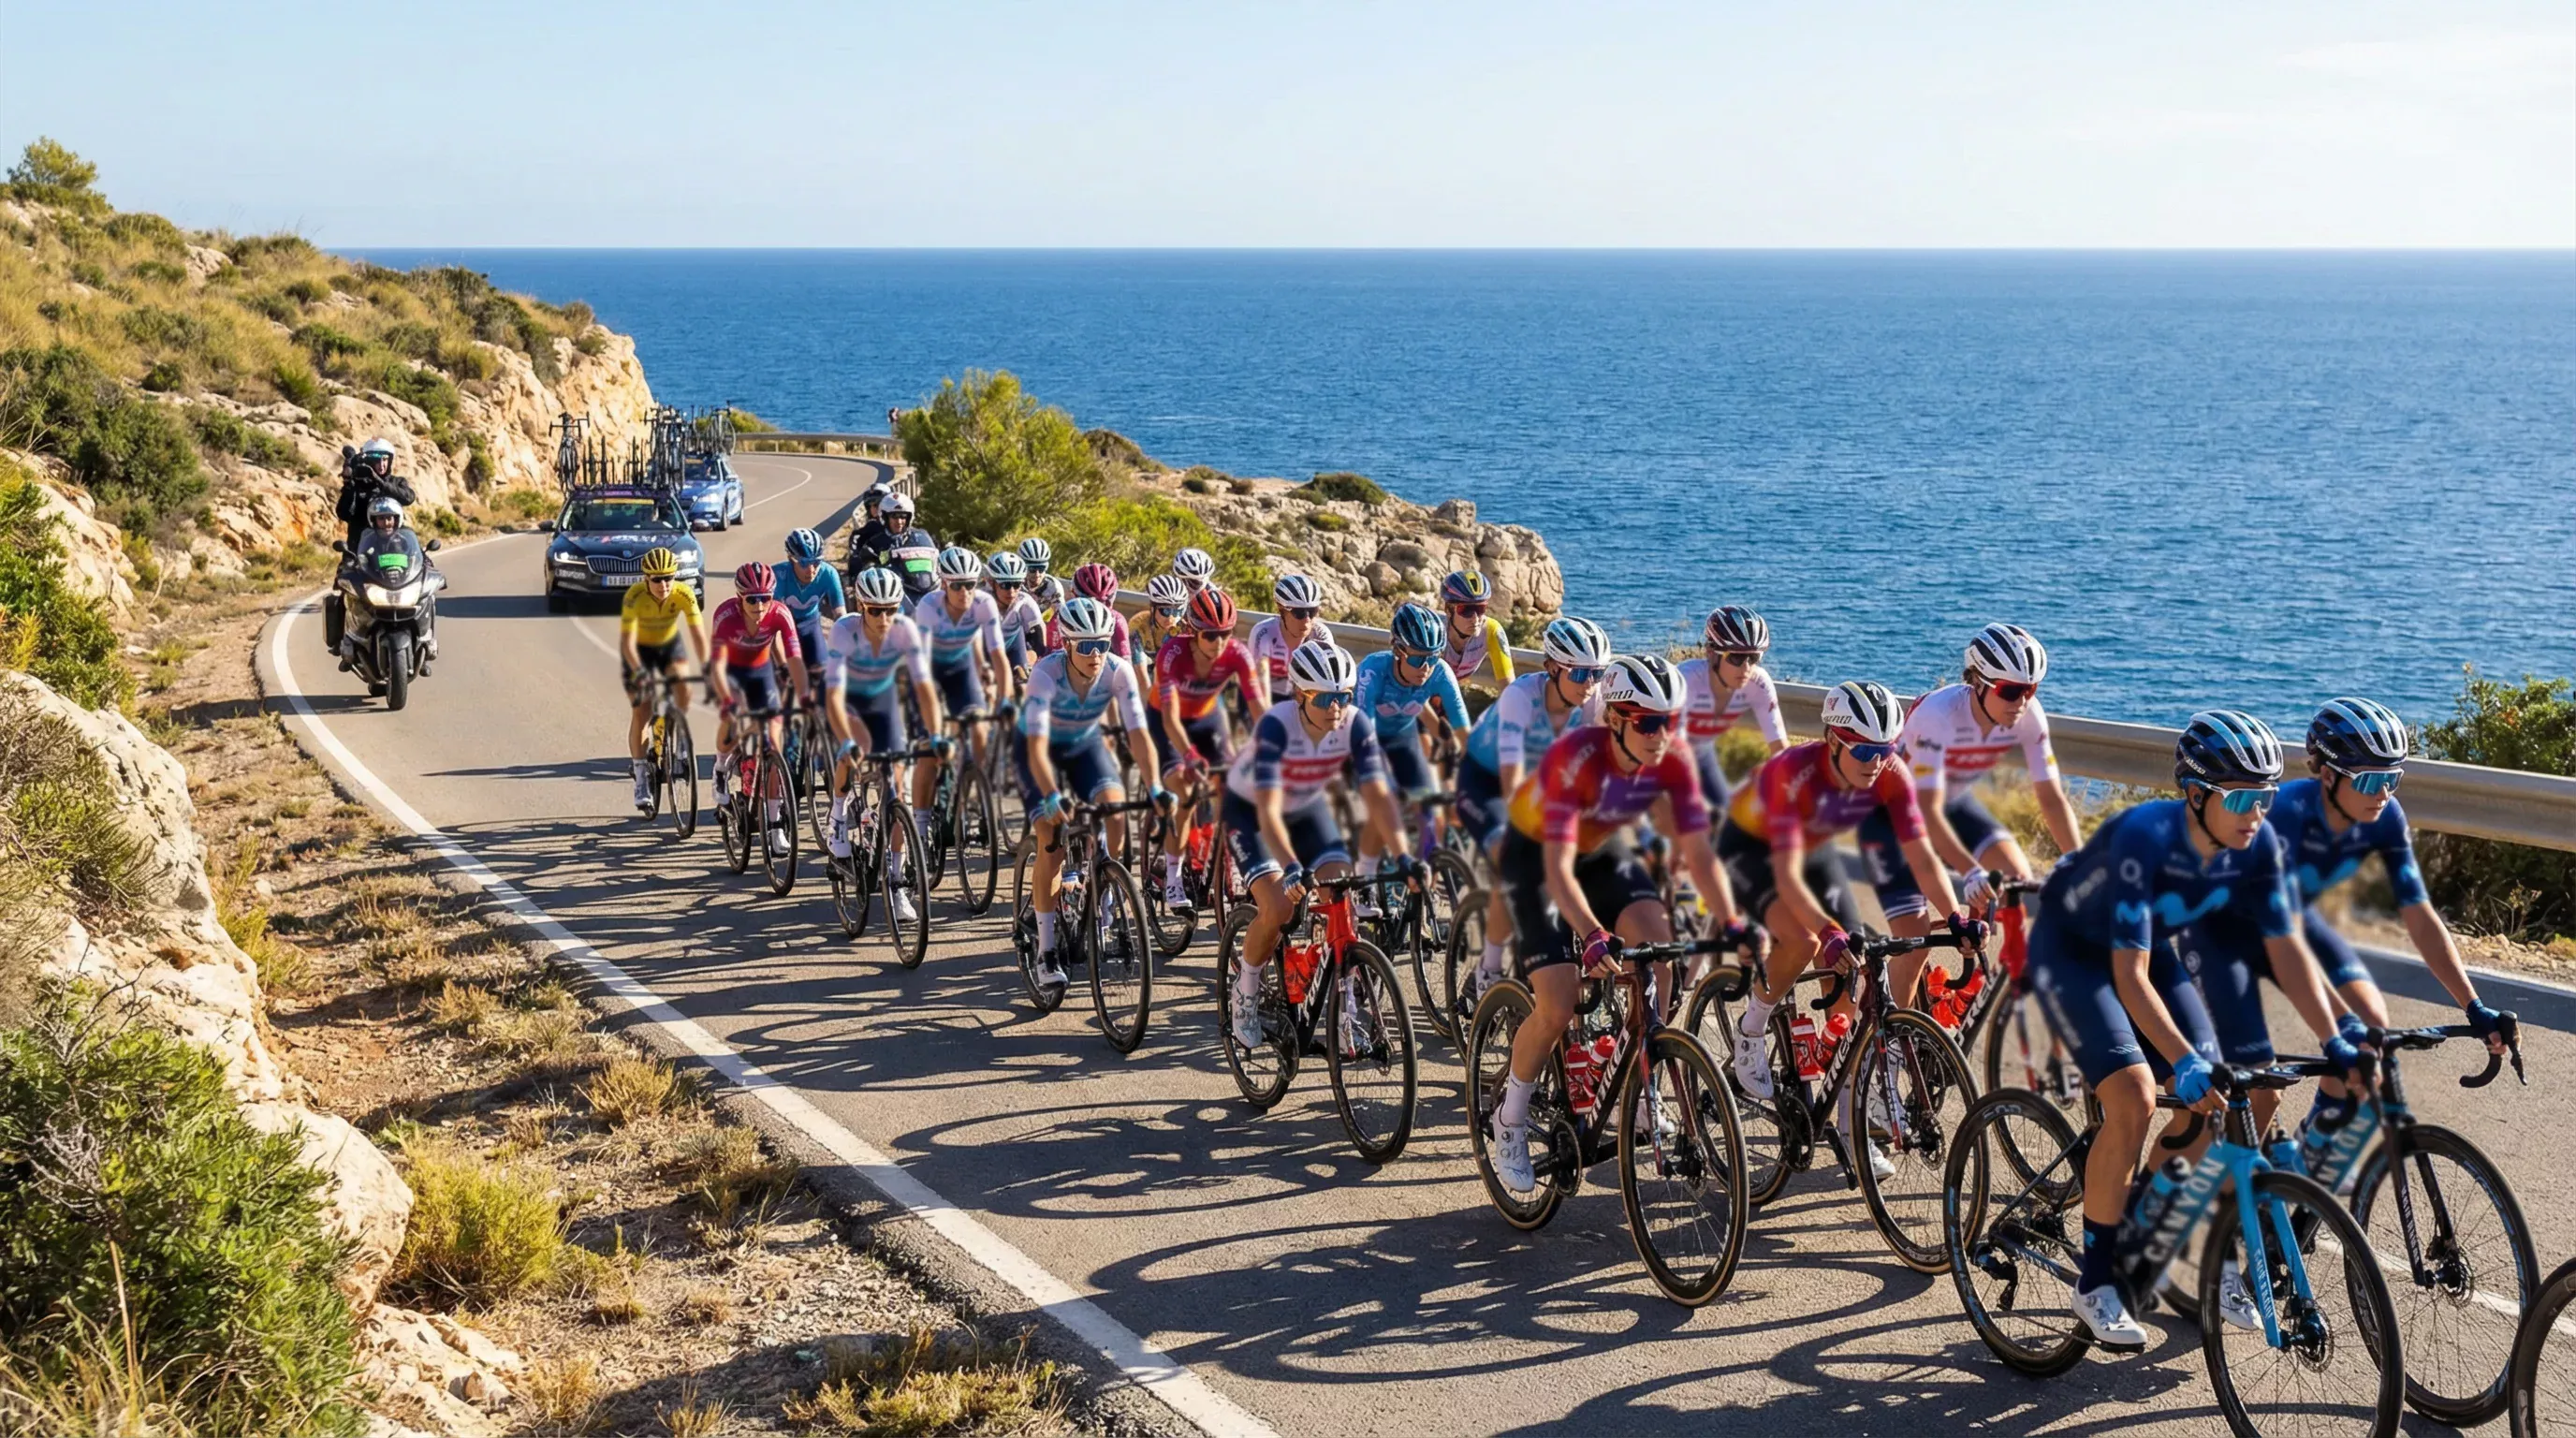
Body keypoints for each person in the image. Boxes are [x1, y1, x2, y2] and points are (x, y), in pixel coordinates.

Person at [2022, 711, 2361, 1351]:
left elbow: (2287, 948)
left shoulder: (2256, 843)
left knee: (2236, 1095)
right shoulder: (2143, 841)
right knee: (2134, 1097)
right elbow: (2129, 977)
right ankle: (2097, 1284)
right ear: (2196, 795)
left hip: (2155, 953)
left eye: (2264, 797)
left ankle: (2142, 1222)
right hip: (2076, 953)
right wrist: (2183, 1060)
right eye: (2240, 798)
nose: (2256, 813)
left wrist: (2336, 1036)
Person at [2176, 698, 2510, 1152]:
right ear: (2328, 775)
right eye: (2372, 779)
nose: (2384, 793)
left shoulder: (2385, 815)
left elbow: (2419, 915)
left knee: (2371, 1026)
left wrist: (2473, 1006)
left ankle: (2306, 1170)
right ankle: (2193, 1202)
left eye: (2393, 779)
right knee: (2259, 1092)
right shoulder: (2285, 819)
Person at [1486, 654, 1746, 1192]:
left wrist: (1735, 923)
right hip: (1537, 864)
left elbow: (1698, 851)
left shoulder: (1672, 759)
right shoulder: (1575, 758)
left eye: (1670, 721)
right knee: (1558, 1004)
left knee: (1663, 965)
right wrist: (1591, 933)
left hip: (1602, 857)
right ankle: (1510, 1118)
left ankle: (1639, 1084)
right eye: (1649, 722)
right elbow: (1556, 869)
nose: (1662, 734)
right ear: (1615, 720)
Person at [1722, 681, 1977, 1104]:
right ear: (1832, 740)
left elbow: (1921, 855)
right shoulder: (1796, 774)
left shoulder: (1890, 772)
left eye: (1885, 750)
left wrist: (1955, 916)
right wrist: (1825, 930)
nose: (1875, 762)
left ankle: (1847, 1123)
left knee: (1847, 991)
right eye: (1863, 751)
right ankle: (1751, 1027)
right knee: (1805, 940)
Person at [1866, 623, 2084, 1003]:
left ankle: (1968, 993)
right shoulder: (1939, 715)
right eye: (2012, 691)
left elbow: (2050, 798)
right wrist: (1969, 872)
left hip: (1951, 803)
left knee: (2015, 879)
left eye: (2031, 691)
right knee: (1914, 943)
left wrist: (2082, 864)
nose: (2022, 702)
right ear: (1979, 682)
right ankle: (1889, 1046)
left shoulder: (2028, 714)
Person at [1223, 641, 1411, 1052]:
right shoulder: (1277, 725)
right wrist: (1290, 865)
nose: (1336, 707)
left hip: (1305, 809)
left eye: (1343, 697)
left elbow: (1378, 794)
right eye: (1325, 698)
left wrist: (1405, 856)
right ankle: (1246, 992)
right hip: (1251, 812)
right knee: (1279, 906)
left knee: (1341, 888)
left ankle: (1344, 1012)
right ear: (1299, 694)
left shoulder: (1354, 723)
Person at [1455, 617, 1611, 999]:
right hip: (1484, 781)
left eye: (1598, 673)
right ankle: (1487, 970)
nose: (1589, 683)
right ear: (1553, 668)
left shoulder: (1591, 702)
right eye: (1580, 673)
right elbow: (1511, 778)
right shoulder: (1521, 697)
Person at [1019, 597, 1166, 991]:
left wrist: (1154, 786)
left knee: (1116, 813)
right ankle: (1047, 950)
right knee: (1052, 839)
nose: (1096, 654)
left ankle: (1101, 897)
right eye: (1086, 646)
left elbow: (1138, 734)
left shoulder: (1118, 672)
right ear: (1066, 644)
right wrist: (1050, 794)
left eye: (1102, 644)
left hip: (1085, 748)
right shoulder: (1046, 674)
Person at [822, 568, 942, 921]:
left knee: (898, 797)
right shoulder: (845, 630)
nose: (884, 618)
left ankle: (896, 882)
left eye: (891, 609)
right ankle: (838, 813)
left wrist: (936, 734)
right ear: (861, 606)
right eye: (875, 610)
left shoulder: (905, 631)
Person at [1152, 588, 1264, 912]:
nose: (1218, 643)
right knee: (1185, 793)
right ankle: (1172, 876)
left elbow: (1259, 708)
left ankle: (1226, 862)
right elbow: (1170, 719)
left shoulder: (1238, 654)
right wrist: (1189, 756)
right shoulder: (1172, 653)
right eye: (1209, 635)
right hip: (1168, 721)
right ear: (1191, 630)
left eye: (1225, 634)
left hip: (1206, 719)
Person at [1351, 602, 1471, 865]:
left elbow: (1463, 729)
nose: (1425, 667)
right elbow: (1364, 729)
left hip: (1404, 743)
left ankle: (1422, 892)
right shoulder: (1374, 670)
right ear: (1397, 650)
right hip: (1367, 742)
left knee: (1433, 816)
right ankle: (1367, 881)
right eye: (1417, 658)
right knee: (1385, 808)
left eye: (1433, 657)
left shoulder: (1440, 673)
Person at [908, 547, 1014, 842]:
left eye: (970, 584)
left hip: (961, 670)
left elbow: (999, 658)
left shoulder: (984, 604)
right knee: (928, 751)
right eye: (957, 585)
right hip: (928, 674)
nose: (965, 592)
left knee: (980, 731)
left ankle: (970, 798)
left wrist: (1005, 701)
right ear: (944, 584)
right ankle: (920, 825)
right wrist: (935, 725)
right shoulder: (929, 607)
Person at [708, 563, 812, 858]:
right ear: (740, 597)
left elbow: (794, 656)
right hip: (731, 672)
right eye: (752, 598)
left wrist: (804, 693)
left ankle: (775, 824)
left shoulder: (780, 613)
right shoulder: (726, 616)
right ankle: (720, 767)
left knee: (774, 745)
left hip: (761, 672)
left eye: (765, 597)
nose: (760, 604)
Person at [619, 547, 712, 811]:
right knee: (642, 709)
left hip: (669, 644)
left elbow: (697, 633)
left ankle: (678, 738)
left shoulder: (684, 593)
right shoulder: (634, 596)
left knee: (684, 689)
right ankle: (640, 776)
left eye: (669, 577)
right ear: (646, 579)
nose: (664, 584)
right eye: (657, 579)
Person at [1676, 606, 1789, 810]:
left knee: (1725, 816)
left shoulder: (1758, 683)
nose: (1746, 668)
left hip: (1701, 754)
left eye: (1753, 658)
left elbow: (1779, 749)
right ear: (1712, 654)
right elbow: (1674, 750)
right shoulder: (1686, 680)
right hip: (1659, 756)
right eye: (1736, 658)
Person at [341, 496, 443, 666]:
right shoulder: (368, 540)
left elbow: (418, 557)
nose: (387, 522)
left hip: (402, 583)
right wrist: (350, 565)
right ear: (374, 520)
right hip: (378, 583)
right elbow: (361, 557)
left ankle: (426, 641)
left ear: (397, 519)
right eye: (381, 518)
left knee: (429, 597)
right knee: (347, 596)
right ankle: (347, 642)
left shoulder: (406, 540)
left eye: (390, 518)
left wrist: (428, 566)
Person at [771, 528, 846, 691]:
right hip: (782, 629)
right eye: (804, 563)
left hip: (810, 626)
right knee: (779, 681)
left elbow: (840, 614)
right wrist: (782, 665)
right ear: (791, 560)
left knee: (823, 678)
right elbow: (773, 628)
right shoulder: (777, 576)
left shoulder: (828, 573)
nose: (811, 569)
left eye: (816, 562)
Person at [1246, 574, 1331, 704]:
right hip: (1268, 695)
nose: (1307, 620)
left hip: (1301, 699)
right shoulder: (1264, 633)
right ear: (1281, 610)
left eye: (1312, 611)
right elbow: (1260, 682)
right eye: (1299, 613)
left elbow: (1325, 683)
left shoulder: (1321, 635)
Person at [1438, 570, 1515, 692]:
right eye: (1466, 610)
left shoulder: (1492, 631)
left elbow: (1509, 689)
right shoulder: (1434, 631)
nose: (1475, 619)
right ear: (1448, 610)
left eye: (1480, 609)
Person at [334, 437, 415, 548]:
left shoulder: (396, 482)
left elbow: (408, 498)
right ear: (368, 461)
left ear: (390, 460)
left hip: (393, 547)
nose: (382, 464)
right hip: (360, 548)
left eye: (385, 459)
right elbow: (343, 514)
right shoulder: (357, 484)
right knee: (346, 565)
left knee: (420, 562)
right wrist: (349, 485)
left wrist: (379, 481)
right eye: (377, 460)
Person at [1046, 563, 1134, 660]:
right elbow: (1051, 662)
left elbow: (1125, 662)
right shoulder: (1060, 620)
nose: (1096, 609)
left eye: (1102, 603)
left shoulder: (1117, 620)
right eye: (1089, 604)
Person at [987, 550, 1045, 678]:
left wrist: (1030, 657)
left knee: (1022, 678)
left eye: (1016, 584)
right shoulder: (979, 600)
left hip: (1013, 645)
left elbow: (1039, 643)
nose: (1011, 591)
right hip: (984, 646)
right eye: (1005, 585)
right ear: (992, 583)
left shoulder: (1025, 602)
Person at [1018, 537, 1066, 611]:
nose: (1037, 574)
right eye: (1032, 569)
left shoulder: (1054, 588)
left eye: (1041, 568)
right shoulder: (1014, 583)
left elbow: (1057, 617)